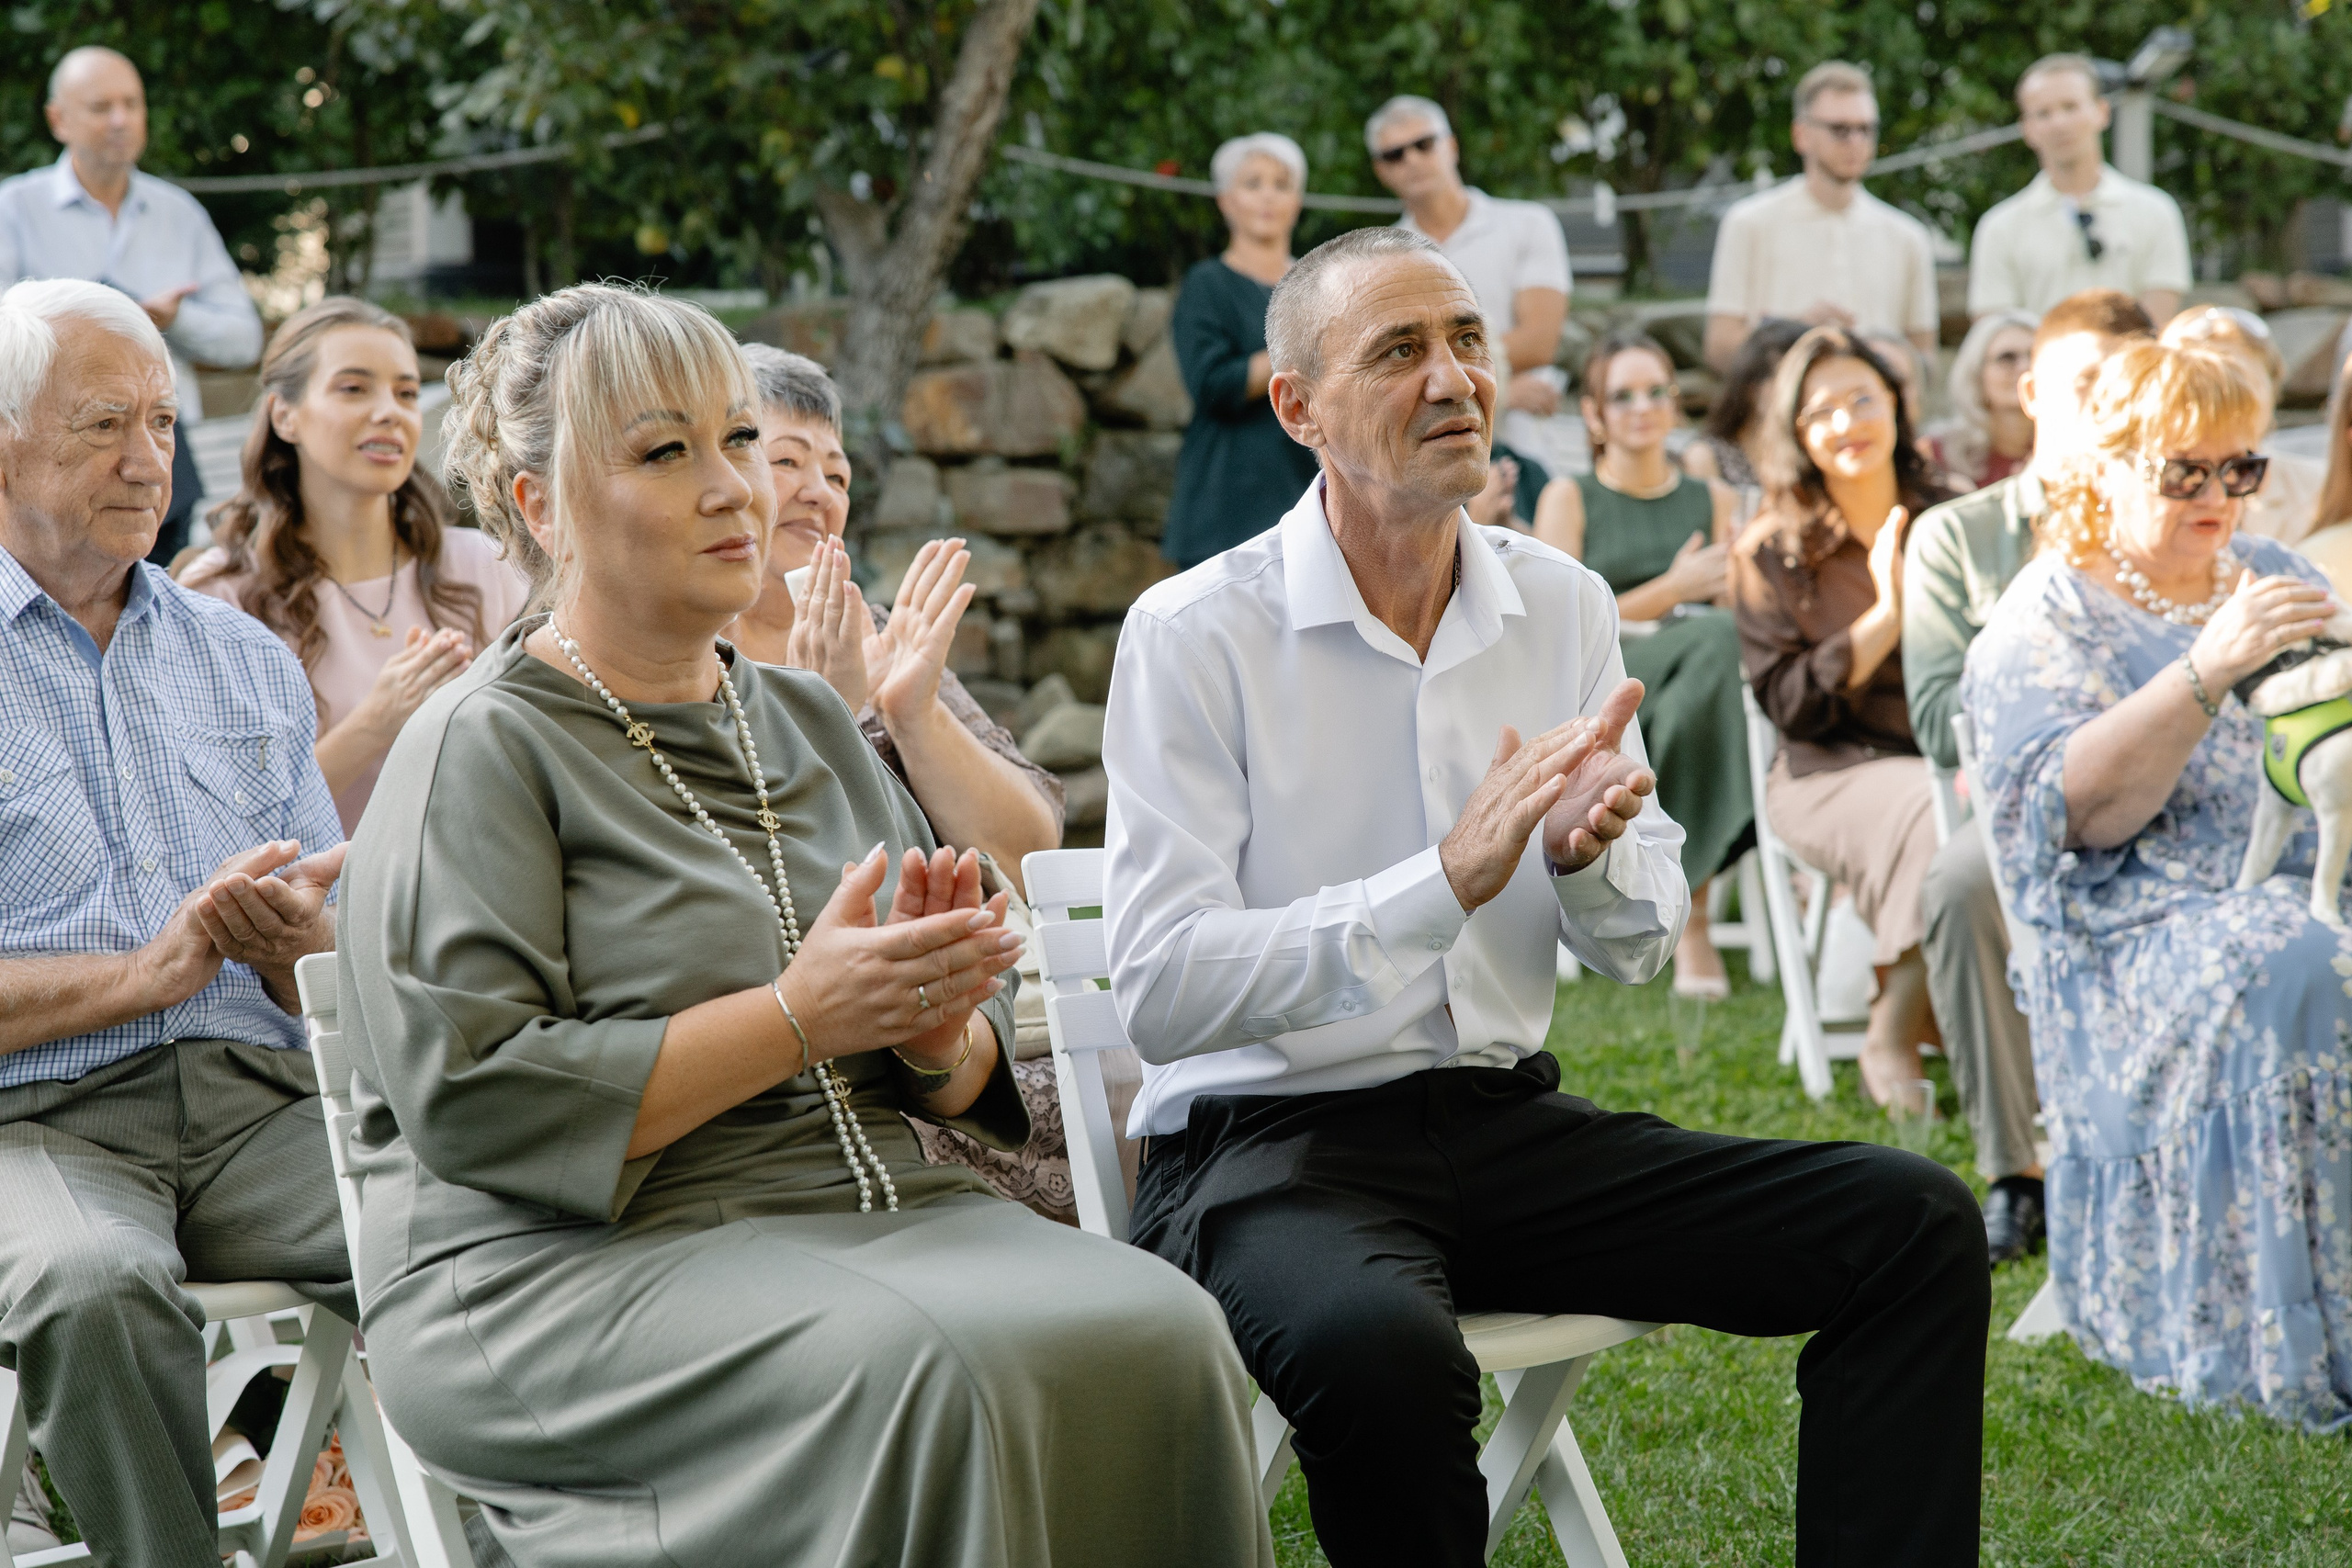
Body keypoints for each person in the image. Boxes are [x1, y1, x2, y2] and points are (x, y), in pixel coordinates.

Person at [335, 284, 1272, 1567]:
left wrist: (936, 1029)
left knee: (1165, 1329)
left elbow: (954, 1062)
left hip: (883, 1204)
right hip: (556, 1268)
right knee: (935, 1371)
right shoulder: (482, 744)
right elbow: (477, 1099)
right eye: (667, 451)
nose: (733, 487)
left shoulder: (810, 718)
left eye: (736, 439)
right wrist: (797, 1017)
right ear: (540, 506)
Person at [1103, 227, 1986, 1568]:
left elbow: (1638, 943)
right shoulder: (1192, 634)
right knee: (1380, 1349)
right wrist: (1442, 880)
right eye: (1399, 350)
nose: (1454, 376)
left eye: (1467, 339)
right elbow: (1164, 990)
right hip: (1269, 1156)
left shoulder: (1560, 603)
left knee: (1910, 1222)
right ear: (1297, 407)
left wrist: (1586, 860)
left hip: (1501, 1128)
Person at [0, 278, 354, 1568]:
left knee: (465, 1204)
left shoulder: (242, 654)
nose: (148, 459)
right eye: (104, 424)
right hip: (34, 1121)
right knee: (90, 1285)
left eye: (160, 422)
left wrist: (298, 945)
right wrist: (141, 974)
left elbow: (333, 955)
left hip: (258, 1102)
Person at [1962, 339, 2352, 1431]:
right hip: (2135, 926)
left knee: (2307, 936)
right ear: (2107, 466)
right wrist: (2204, 670)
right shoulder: (2049, 614)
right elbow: (2077, 816)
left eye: (2241, 468)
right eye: (2186, 471)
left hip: (2306, 877)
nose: (2218, 496)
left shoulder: (2278, 571)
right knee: (2297, 959)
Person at [1901, 289, 2154, 1261]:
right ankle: (2017, 1169)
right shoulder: (1958, 536)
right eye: (2085, 382)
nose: (2106, 403)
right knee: (1960, 883)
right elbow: (1937, 723)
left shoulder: (2171, 522)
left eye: (2126, 384)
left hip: (2164, 793)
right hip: (2025, 805)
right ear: (2033, 390)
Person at [176, 297, 528, 832]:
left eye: (405, 393)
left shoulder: (487, 565)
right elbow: (223, 821)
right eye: (354, 389)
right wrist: (374, 723)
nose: (389, 412)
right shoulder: (220, 597)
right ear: (284, 415)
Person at [722, 344, 1061, 886]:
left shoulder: (878, 637)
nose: (821, 494)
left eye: (838, 477)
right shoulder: (683, 651)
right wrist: (823, 708)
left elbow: (1032, 859)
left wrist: (914, 713)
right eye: (787, 461)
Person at [1729, 326, 1962, 1111]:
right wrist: (1886, 616)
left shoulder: (1952, 516)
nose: (1846, 422)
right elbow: (1789, 705)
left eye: (1862, 398)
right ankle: (1890, 1030)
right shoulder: (1770, 551)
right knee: (1933, 811)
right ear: (1796, 434)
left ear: (1895, 403)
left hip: (1954, 755)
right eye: (1821, 411)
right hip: (1829, 769)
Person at [1532, 330, 1746, 997]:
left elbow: (1738, 611)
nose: (1643, 406)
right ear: (1594, 415)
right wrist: (1674, 589)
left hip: (1700, 683)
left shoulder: (1713, 498)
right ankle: (1695, 917)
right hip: (1606, 678)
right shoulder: (1569, 496)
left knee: (1713, 656)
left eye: (1656, 391)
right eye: (1622, 395)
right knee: (1715, 639)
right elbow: (1558, 625)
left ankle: (1690, 908)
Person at [0, 47, 264, 566]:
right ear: (58, 120)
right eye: (101, 107)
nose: (120, 120)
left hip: (164, 452)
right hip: (53, 451)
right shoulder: (12, 210)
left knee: (153, 589)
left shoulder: (179, 214)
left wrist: (173, 321)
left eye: (131, 104)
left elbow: (244, 340)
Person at [1368, 95, 1576, 469]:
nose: (1411, 159)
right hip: (1433, 454)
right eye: (1395, 154)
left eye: (1423, 144)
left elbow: (1540, 342)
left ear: (1451, 146)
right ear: (1380, 170)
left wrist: (1434, 373)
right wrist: (1504, 391)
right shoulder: (1382, 258)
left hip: (1527, 446)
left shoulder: (1529, 223)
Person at [1702, 62, 1939, 375]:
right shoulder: (1749, 223)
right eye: (1840, 130)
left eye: (1865, 129)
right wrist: (1795, 335)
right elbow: (1719, 350)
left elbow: (1924, 357)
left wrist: (1880, 358)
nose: (1855, 141)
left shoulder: (1907, 236)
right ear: (1801, 135)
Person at [1163, 133, 1323, 568]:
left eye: (1281, 184)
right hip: (1225, 504)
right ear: (1226, 201)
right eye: (1253, 183)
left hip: (1309, 497)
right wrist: (1305, 343)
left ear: (1297, 201)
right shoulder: (1206, 284)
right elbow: (1213, 385)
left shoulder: (1321, 286)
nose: (1268, 196)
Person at [1967, 53, 2190, 323]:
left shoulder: (2156, 212)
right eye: (2043, 113)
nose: (2059, 123)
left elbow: (2156, 323)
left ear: (2102, 112)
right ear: (2027, 129)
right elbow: (1996, 331)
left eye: (2070, 107)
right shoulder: (1999, 227)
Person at [2160, 305, 2324, 546]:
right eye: (2208, 384)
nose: (2229, 401)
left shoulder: (2319, 490)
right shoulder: (2139, 487)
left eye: (2244, 384)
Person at [1680, 315, 1807, 515]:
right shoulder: (1708, 457)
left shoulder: (1809, 453)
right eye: (1788, 382)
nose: (1802, 395)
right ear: (1753, 388)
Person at [1924, 310, 2039, 492]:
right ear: (1976, 374)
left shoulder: (2071, 448)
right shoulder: (1936, 453)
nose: (2025, 367)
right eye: (2007, 357)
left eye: (2035, 355)